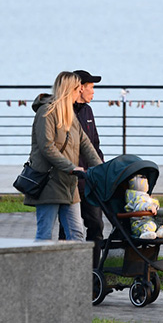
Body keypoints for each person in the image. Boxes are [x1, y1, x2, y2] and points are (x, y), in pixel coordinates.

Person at [25, 71, 103, 241]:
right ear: (69, 90)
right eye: (77, 89)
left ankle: (76, 268)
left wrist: (102, 169)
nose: (80, 92)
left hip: (69, 184)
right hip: (50, 182)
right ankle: (41, 267)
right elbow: (47, 147)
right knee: (45, 234)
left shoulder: (71, 115)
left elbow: (86, 144)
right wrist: (71, 167)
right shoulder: (46, 112)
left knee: (77, 233)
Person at [58, 69, 105, 244]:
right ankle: (65, 266)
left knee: (96, 226)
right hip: (69, 180)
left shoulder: (88, 111)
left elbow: (95, 145)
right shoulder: (62, 111)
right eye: (91, 87)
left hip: (90, 182)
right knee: (68, 228)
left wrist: (102, 171)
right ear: (80, 88)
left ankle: (93, 268)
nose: (93, 91)